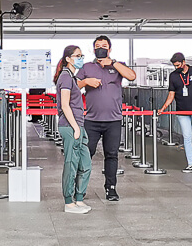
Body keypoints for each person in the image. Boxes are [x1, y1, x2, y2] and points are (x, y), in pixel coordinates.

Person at [77, 35, 136, 202]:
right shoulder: (87, 67)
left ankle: (111, 189)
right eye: (97, 46)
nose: (100, 48)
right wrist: (86, 81)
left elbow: (131, 76)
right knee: (86, 153)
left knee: (112, 154)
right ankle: (80, 188)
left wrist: (113, 63)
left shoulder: (118, 66)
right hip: (92, 120)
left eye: (104, 46)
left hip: (113, 120)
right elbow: (74, 85)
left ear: (109, 49)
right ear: (93, 49)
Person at [56, 45, 92, 214]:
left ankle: (79, 198)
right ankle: (69, 202)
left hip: (79, 125)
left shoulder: (72, 77)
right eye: (77, 56)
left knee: (85, 164)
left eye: (81, 55)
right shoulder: (65, 77)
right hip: (70, 126)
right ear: (68, 59)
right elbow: (65, 104)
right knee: (71, 164)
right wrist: (76, 128)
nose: (81, 58)